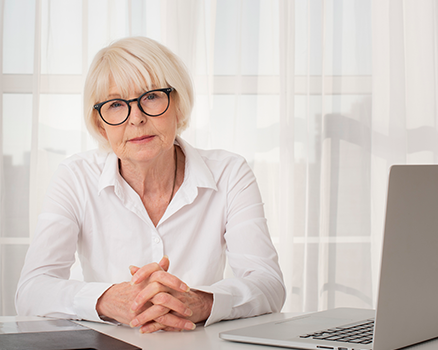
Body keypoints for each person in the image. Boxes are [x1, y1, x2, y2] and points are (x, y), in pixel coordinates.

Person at [15, 37, 285, 333]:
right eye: (116, 104)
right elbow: (31, 290)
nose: (137, 119)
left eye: (152, 96)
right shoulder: (75, 176)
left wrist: (199, 303)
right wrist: (107, 300)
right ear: (100, 123)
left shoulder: (230, 173)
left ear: (178, 104)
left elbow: (268, 283)